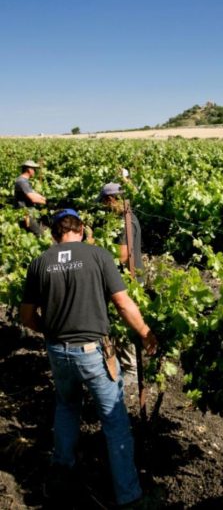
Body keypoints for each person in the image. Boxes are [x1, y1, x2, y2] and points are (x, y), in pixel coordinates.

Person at [19, 209, 157, 507]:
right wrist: (145, 332)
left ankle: (61, 476)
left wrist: (50, 332)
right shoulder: (98, 256)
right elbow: (122, 303)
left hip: (58, 351)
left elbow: (27, 316)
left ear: (54, 234)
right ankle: (128, 496)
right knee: (114, 420)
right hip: (93, 352)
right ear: (81, 230)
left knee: (67, 407)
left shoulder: (39, 263)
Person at [98, 182, 144, 383]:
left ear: (111, 200)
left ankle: (131, 368)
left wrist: (97, 251)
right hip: (122, 277)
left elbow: (123, 255)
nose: (103, 207)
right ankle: (122, 363)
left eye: (104, 202)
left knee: (126, 320)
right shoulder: (122, 218)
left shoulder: (126, 221)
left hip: (128, 279)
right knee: (119, 320)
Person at [14, 160, 47, 235]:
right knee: (39, 234)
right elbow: (33, 199)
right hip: (25, 214)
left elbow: (33, 193)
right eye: (34, 169)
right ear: (29, 170)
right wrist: (46, 202)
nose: (35, 171)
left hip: (27, 213)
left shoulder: (24, 181)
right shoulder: (22, 182)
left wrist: (44, 198)